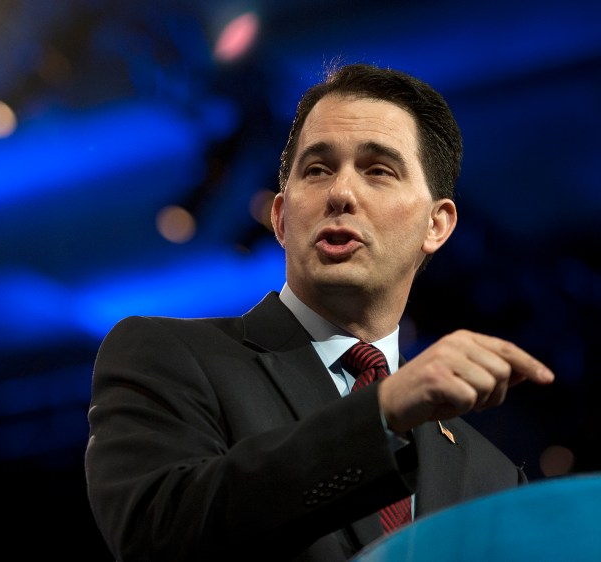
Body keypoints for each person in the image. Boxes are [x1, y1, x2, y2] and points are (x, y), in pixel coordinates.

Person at [83, 62, 555, 561]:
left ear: (436, 225)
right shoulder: (170, 357)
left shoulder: (495, 477)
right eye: (317, 169)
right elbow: (158, 536)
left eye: (378, 171)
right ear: (282, 218)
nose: (341, 194)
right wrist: (380, 416)